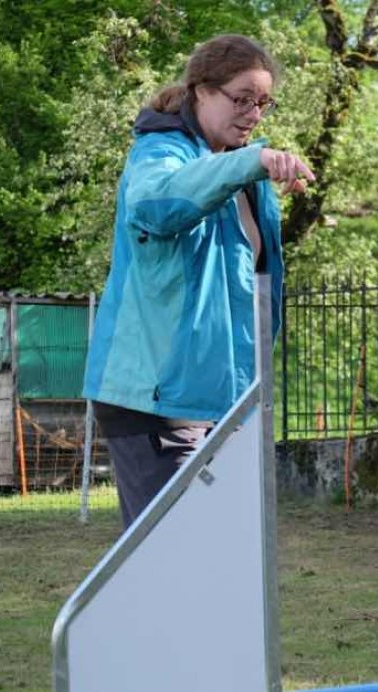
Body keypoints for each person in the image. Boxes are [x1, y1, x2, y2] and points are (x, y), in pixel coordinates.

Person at [83, 34, 314, 528]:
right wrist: (249, 163)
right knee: (172, 556)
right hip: (158, 400)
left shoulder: (243, 173)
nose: (253, 114)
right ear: (201, 91)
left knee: (224, 552)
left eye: (263, 103)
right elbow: (156, 205)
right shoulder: (159, 151)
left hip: (225, 401)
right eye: (242, 99)